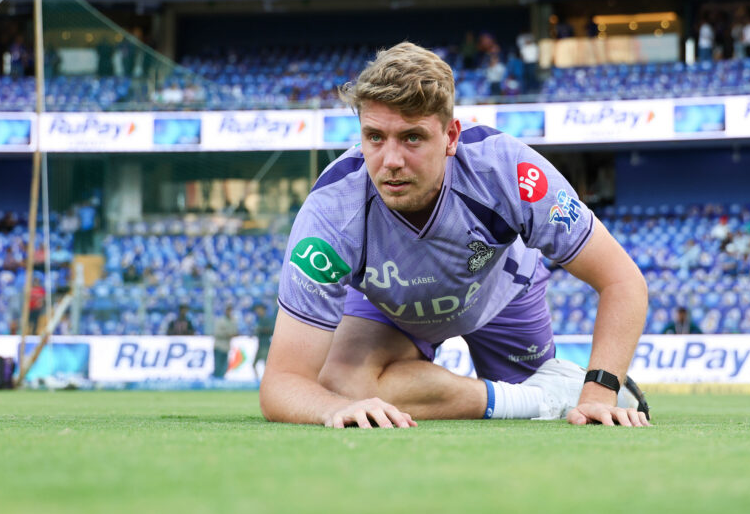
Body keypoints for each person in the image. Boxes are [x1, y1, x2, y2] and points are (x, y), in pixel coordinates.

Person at [260, 43, 650, 429]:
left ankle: (555, 387)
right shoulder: (330, 212)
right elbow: (282, 382)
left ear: (450, 136)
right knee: (341, 385)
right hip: (390, 310)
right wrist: (332, 408)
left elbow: (622, 280)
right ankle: (538, 397)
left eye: (412, 137)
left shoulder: (507, 170)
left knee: (539, 406)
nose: (391, 161)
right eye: (375, 137)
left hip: (501, 295)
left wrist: (598, 393)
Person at [213, 306, 239, 378]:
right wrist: (227, 334)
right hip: (219, 346)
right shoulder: (220, 321)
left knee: (224, 367)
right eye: (228, 310)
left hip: (226, 347)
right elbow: (217, 333)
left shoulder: (232, 321)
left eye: (230, 311)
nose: (229, 312)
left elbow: (235, 332)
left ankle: (221, 381)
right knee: (218, 366)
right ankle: (216, 381)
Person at [253, 303, 273, 382]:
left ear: (263, 310)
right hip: (260, 345)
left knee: (266, 365)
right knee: (254, 364)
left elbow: (271, 330)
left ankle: (267, 381)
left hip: (265, 345)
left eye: (259, 309)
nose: (257, 311)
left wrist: (261, 329)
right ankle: (258, 381)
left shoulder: (267, 319)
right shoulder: (259, 319)